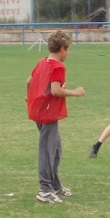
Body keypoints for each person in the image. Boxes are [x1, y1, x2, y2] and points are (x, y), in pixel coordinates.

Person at [26, 30, 85, 204]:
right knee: (47, 150)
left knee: (56, 149)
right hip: (48, 112)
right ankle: (44, 189)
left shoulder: (42, 62)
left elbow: (29, 81)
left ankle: (55, 185)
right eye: (69, 49)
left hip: (39, 110)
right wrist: (75, 92)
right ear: (62, 49)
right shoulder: (58, 67)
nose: (69, 52)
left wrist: (29, 97)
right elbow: (55, 90)